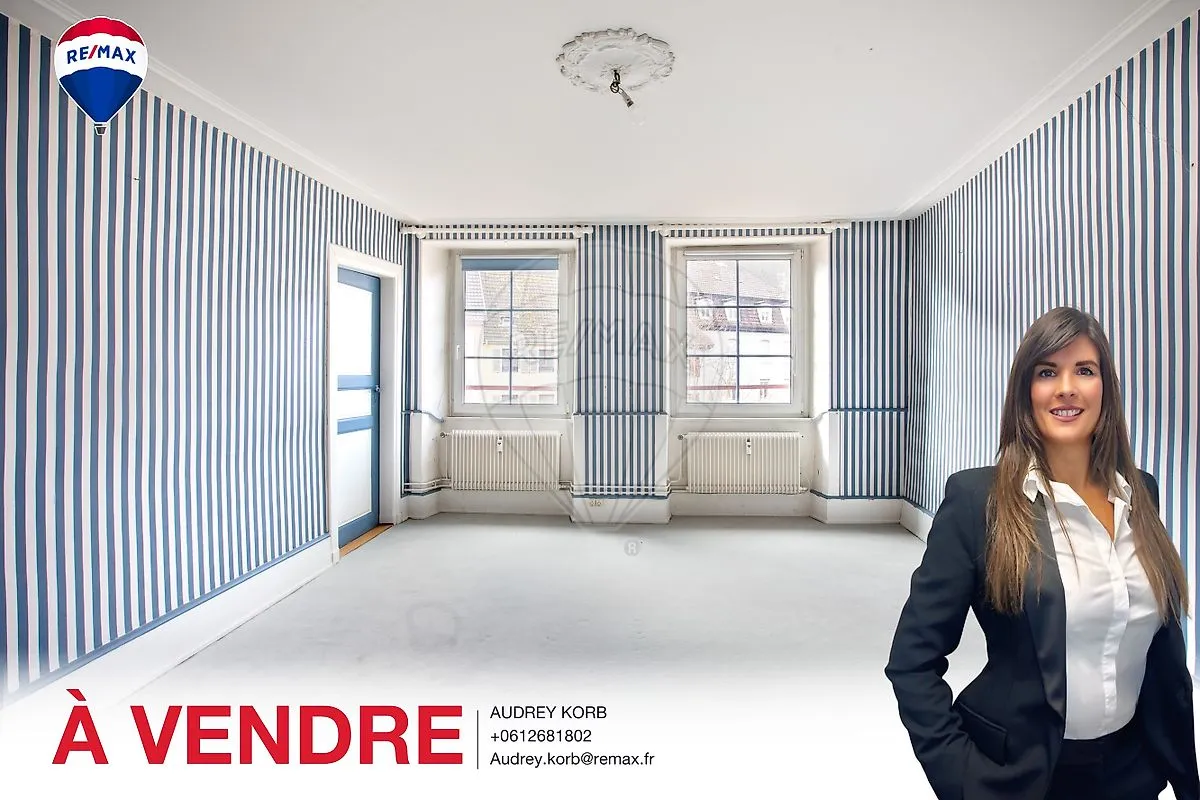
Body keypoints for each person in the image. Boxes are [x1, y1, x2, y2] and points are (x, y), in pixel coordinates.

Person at [884, 306, 1197, 800]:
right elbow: (912, 660)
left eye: (1085, 371)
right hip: (1022, 775)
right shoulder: (978, 502)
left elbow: (1162, 652)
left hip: (1132, 771)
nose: (1066, 388)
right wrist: (963, 780)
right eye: (1047, 372)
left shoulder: (1141, 493)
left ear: (1106, 388)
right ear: (1025, 390)